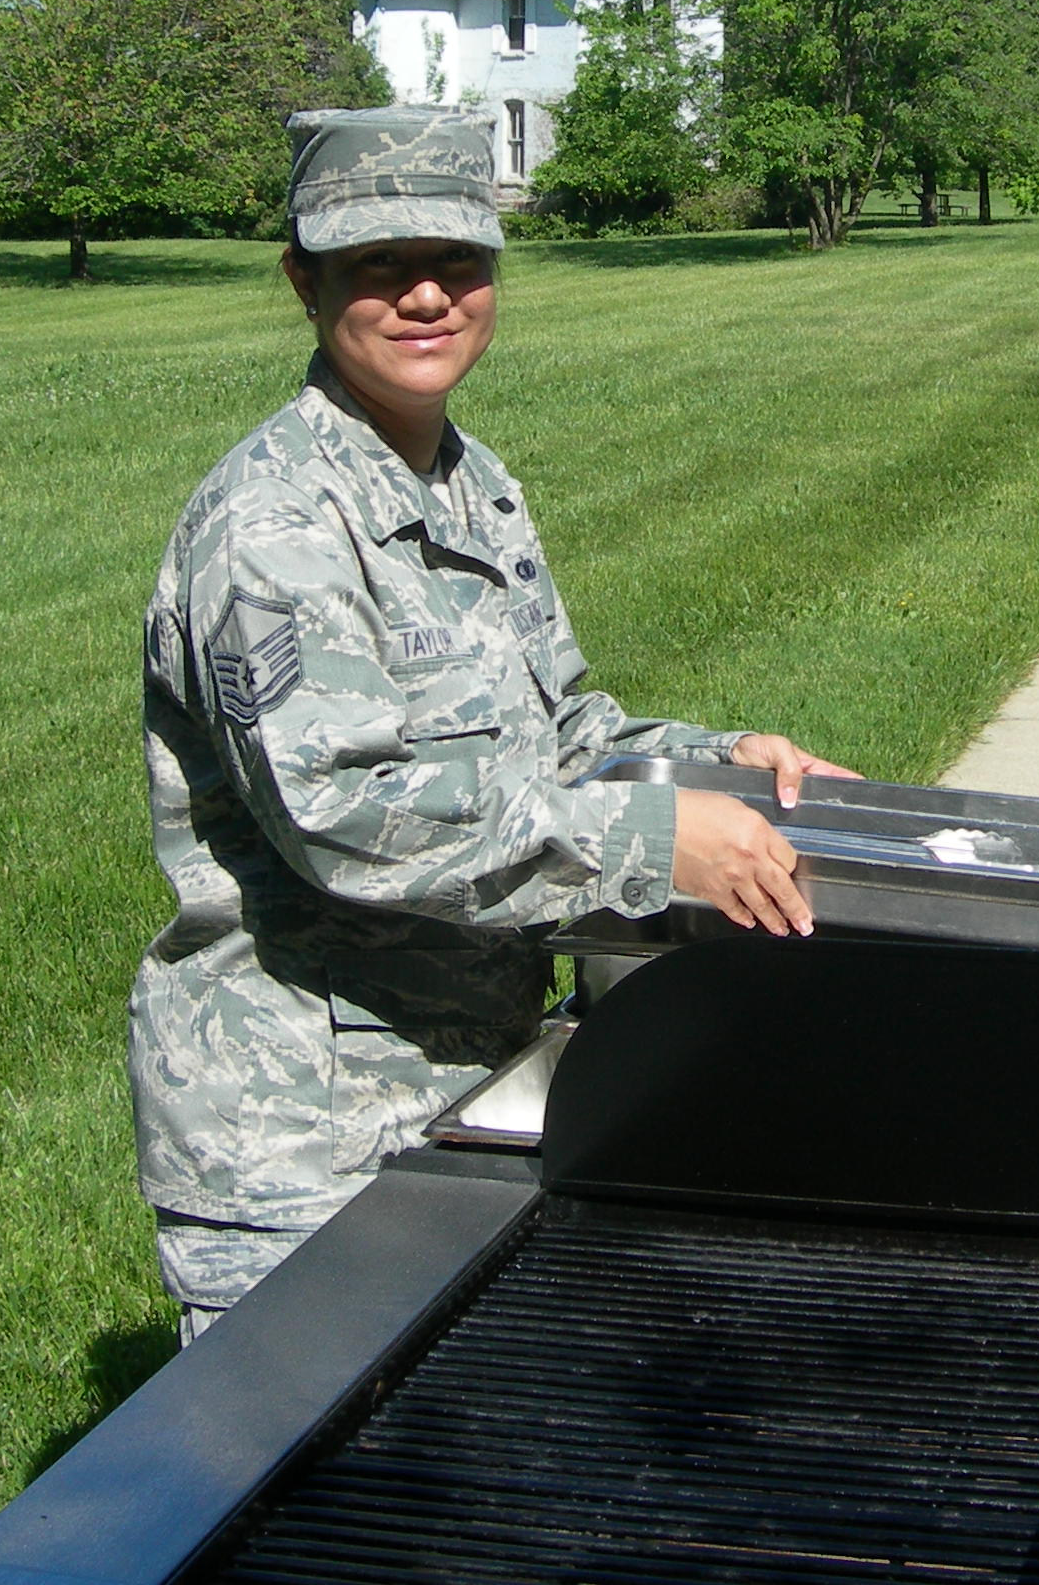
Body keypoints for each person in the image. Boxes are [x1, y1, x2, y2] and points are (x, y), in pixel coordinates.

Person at [131, 105, 853, 1338]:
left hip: (479, 1084)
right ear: (303, 283)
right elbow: (347, 818)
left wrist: (710, 762)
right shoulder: (276, 528)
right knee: (321, 1510)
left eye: (459, 261)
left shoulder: (470, 482)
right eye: (377, 266)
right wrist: (648, 845)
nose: (427, 295)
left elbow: (560, 729)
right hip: (306, 1143)